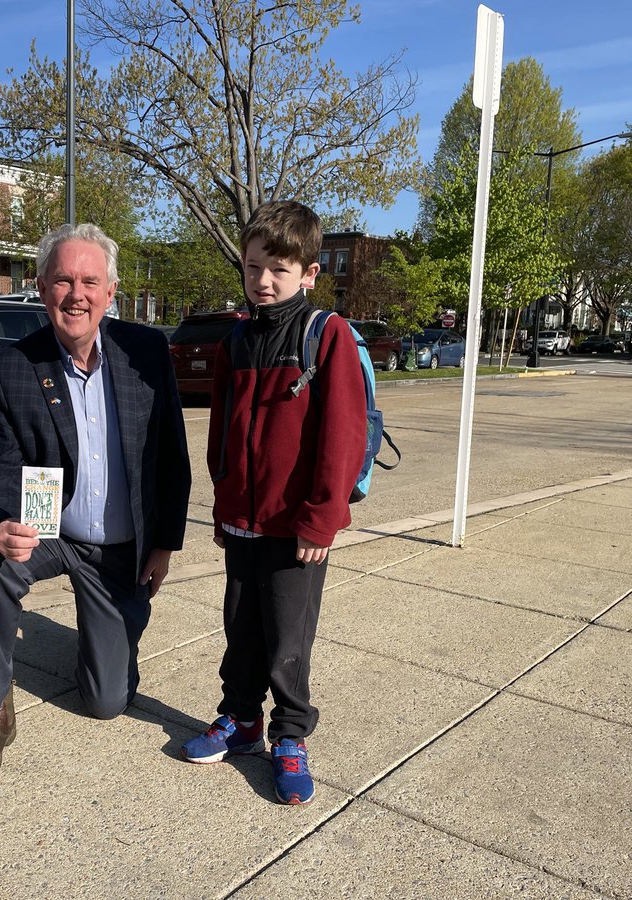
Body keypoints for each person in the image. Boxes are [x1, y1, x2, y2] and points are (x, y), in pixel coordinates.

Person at [0, 223, 191, 781]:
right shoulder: (15, 364)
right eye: (63, 280)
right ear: (42, 289)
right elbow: (0, 466)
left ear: (111, 291)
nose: (76, 294)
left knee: (107, 701)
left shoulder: (147, 352)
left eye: (89, 281)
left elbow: (171, 457)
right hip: (50, 530)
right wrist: (4, 520)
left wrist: (165, 544)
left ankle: (102, 640)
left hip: (120, 546)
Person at [180, 201, 367, 804]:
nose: (263, 281)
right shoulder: (236, 341)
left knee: (288, 638)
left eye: (278, 271)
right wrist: (221, 504)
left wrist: (321, 519)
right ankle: (241, 718)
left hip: (297, 530)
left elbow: (342, 435)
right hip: (241, 520)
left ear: (309, 273)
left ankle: (289, 734)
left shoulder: (325, 335)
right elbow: (223, 431)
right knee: (241, 628)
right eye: (253, 267)